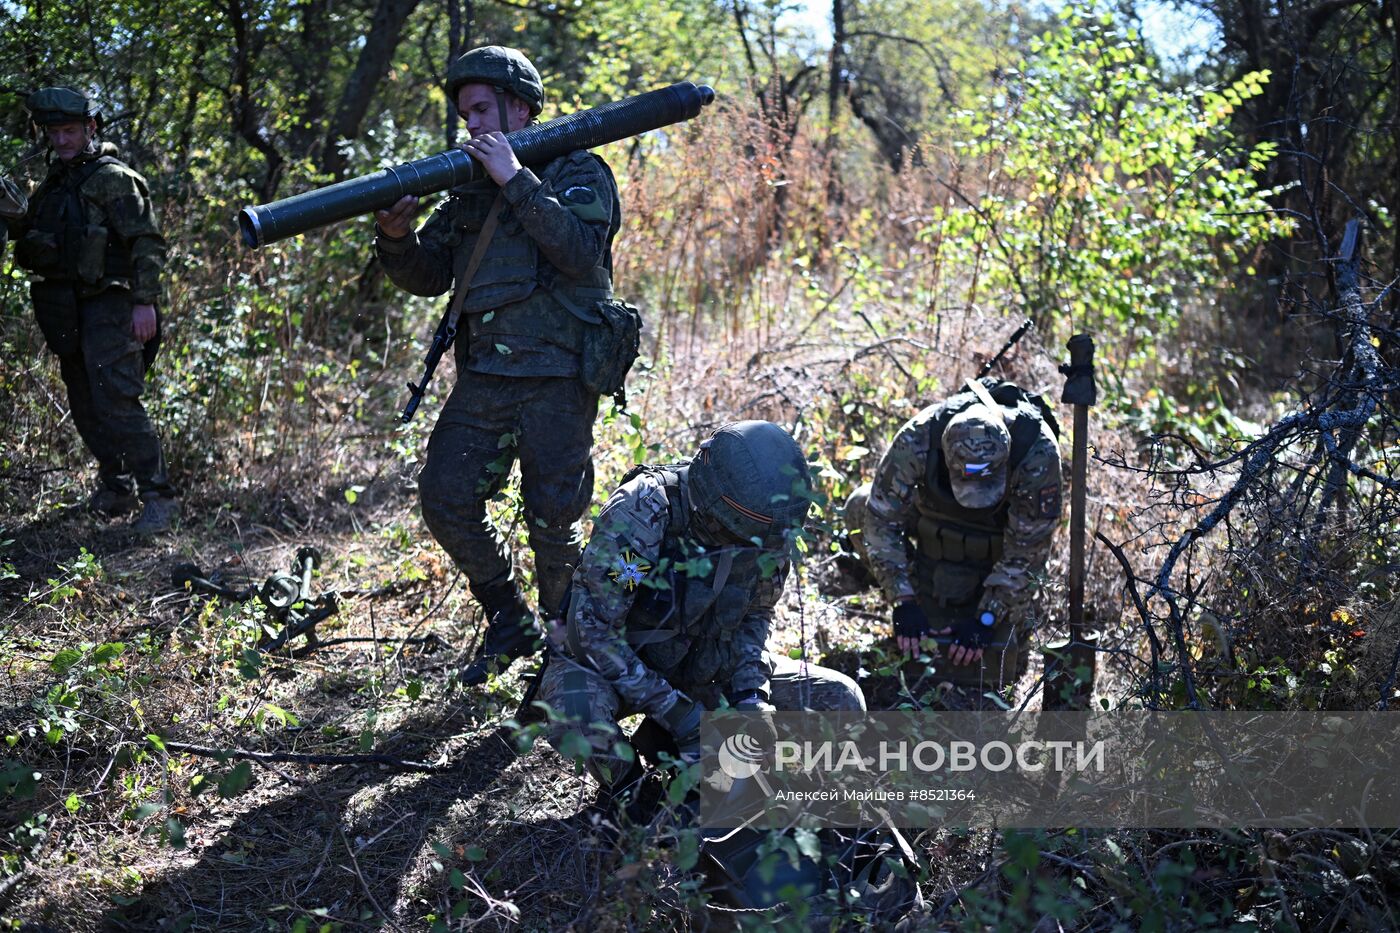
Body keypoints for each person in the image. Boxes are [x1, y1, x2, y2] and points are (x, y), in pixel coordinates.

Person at [372, 46, 624, 685]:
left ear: (520, 106)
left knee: (554, 522)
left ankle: (565, 652)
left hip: (560, 379)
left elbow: (578, 250)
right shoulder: (466, 191)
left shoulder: (578, 171)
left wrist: (517, 179)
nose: (473, 125)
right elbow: (430, 274)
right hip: (485, 377)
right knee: (445, 497)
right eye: (465, 115)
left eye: (483, 109)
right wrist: (395, 239)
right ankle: (509, 619)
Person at [538, 420, 866, 796]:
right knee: (576, 716)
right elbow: (593, 631)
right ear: (716, 507)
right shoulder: (645, 512)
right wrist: (679, 715)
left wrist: (751, 700)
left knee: (840, 697)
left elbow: (755, 618)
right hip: (620, 665)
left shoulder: (774, 527)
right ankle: (635, 803)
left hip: (704, 665)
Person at [4, 87, 179, 533]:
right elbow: (43, 235)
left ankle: (158, 497)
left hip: (111, 304)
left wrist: (145, 303)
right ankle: (115, 487)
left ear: (90, 129)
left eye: (69, 131)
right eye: (53, 132)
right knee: (84, 402)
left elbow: (148, 243)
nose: (61, 140)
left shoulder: (115, 178)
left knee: (118, 400)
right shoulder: (52, 183)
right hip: (65, 308)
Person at [843, 377, 1062, 689]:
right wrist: (903, 600)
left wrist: (987, 618)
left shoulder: (1036, 452)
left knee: (1005, 665)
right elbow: (881, 520)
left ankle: (989, 605)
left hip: (996, 554)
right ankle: (921, 593)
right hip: (934, 537)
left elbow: (1028, 551)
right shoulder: (919, 437)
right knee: (859, 506)